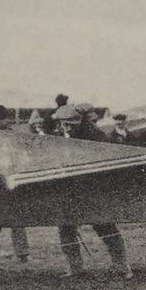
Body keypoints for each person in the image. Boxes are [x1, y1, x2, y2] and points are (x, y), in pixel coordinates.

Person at [53, 104, 134, 280]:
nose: (64, 128)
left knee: (105, 225)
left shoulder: (96, 136)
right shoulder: (60, 137)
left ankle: (122, 266)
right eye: (63, 124)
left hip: (94, 189)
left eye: (68, 124)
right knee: (66, 227)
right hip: (71, 189)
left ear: (77, 122)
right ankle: (75, 267)